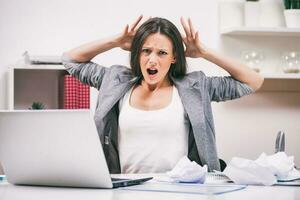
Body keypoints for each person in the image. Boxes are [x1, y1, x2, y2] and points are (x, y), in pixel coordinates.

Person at [62, 16, 264, 174]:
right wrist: (116, 41)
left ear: (174, 57)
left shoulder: (195, 87)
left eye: (162, 53)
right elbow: (70, 60)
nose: (152, 60)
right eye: (146, 51)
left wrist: (204, 52)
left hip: (180, 192)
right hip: (126, 191)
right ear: (137, 53)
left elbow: (253, 81)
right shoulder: (115, 81)